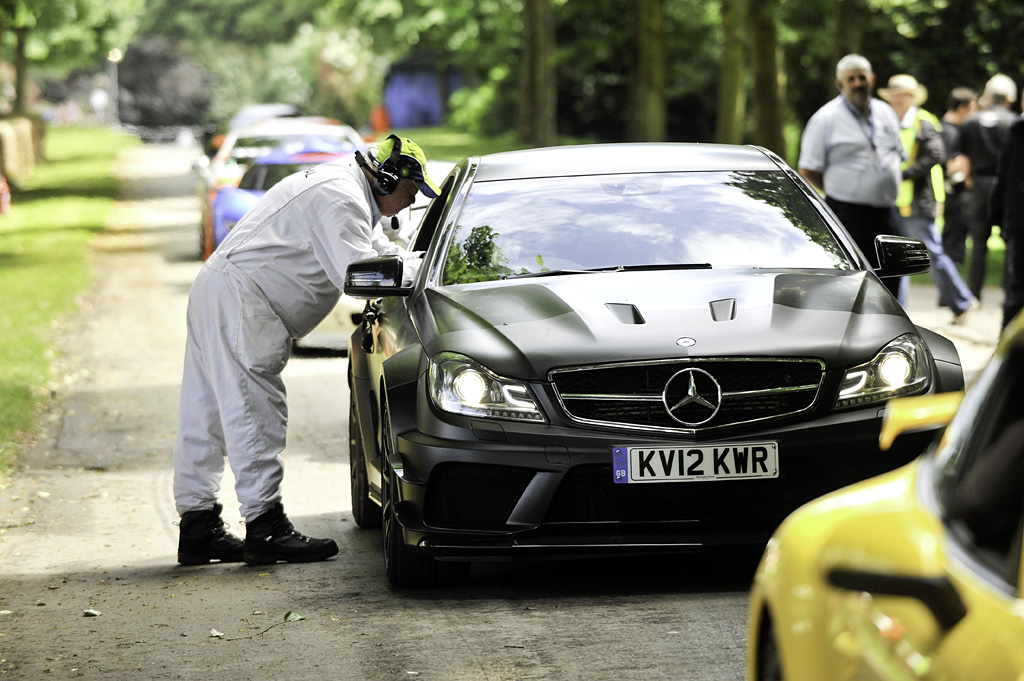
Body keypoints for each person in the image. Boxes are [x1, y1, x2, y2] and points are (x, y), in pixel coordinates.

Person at [173, 135, 440, 566]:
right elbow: (359, 274)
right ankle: (266, 526)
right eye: (410, 192)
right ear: (389, 178)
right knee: (252, 410)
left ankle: (198, 524)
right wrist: (429, 269)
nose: (408, 204)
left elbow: (376, 251)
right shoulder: (341, 199)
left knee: (205, 414)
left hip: (225, 290)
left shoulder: (343, 191)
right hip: (246, 301)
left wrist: (409, 258)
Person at [798, 54, 905, 300]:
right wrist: (844, 190)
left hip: (887, 212)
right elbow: (808, 169)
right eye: (851, 79)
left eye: (862, 78)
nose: (858, 83)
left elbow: (895, 155)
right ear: (840, 84)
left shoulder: (885, 112)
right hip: (849, 214)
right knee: (857, 281)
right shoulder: (825, 119)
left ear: (872, 80)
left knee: (891, 279)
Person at [879, 74, 978, 325]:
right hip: (893, 200)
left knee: (931, 255)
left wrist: (902, 174)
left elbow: (936, 153)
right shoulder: (887, 119)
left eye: (902, 94)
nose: (897, 99)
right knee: (897, 258)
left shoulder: (924, 121)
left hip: (918, 201)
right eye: (894, 95)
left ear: (912, 97)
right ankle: (899, 312)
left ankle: (962, 302)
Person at [957, 73, 1018, 301]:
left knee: (978, 243)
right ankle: (1008, 293)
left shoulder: (971, 121)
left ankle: (974, 295)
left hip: (978, 186)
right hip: (1004, 186)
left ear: (988, 95)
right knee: (1010, 242)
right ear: (1009, 98)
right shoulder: (1013, 122)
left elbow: (963, 158)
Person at [991, 115, 1024, 329]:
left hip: (1019, 222)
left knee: (1017, 290)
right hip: (1019, 222)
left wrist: (999, 218)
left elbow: (1002, 177)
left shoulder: (1018, 130)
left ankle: (1007, 355)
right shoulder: (1017, 130)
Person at [940, 87, 978, 266]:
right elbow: (951, 165)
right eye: (973, 108)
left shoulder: (955, 129)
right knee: (952, 243)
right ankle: (950, 288)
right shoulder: (949, 132)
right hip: (952, 196)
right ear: (963, 107)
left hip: (956, 195)